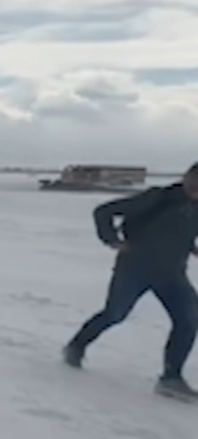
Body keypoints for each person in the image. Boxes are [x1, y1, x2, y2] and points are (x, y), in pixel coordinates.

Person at [63, 163, 198, 400]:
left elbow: (181, 232)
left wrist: (192, 248)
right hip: (134, 270)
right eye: (195, 180)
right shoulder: (157, 197)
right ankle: (76, 346)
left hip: (172, 275)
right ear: (187, 176)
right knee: (115, 314)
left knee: (188, 320)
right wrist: (112, 240)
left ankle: (171, 378)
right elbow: (103, 211)